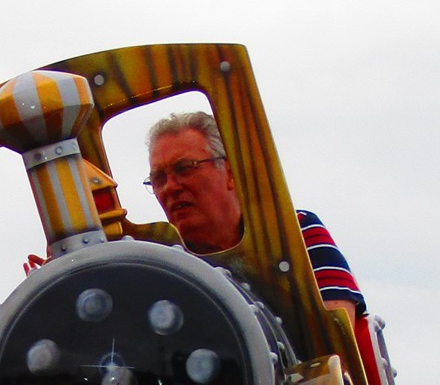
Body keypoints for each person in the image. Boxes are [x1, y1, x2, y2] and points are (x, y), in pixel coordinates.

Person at [143, 110, 367, 320]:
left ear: (230, 172)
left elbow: (338, 338)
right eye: (159, 178)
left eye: (184, 168)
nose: (170, 187)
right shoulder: (164, 266)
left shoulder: (296, 232)